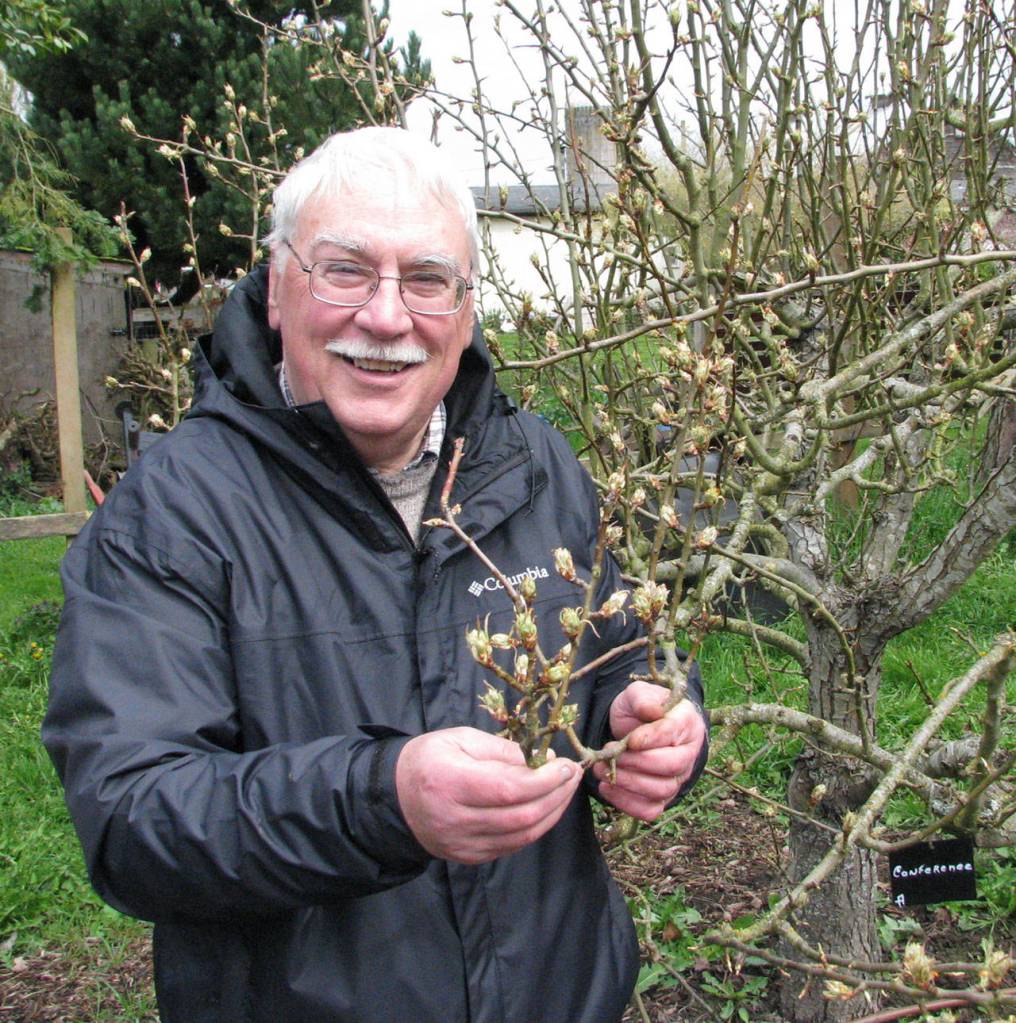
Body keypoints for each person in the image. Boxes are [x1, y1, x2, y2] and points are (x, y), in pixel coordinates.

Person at [44, 126, 708, 1023]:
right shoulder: (173, 514)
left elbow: (627, 650)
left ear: (465, 310)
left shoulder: (535, 466)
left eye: (426, 279)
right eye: (346, 271)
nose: (387, 317)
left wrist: (660, 719)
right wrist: (379, 801)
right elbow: (132, 820)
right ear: (278, 288)